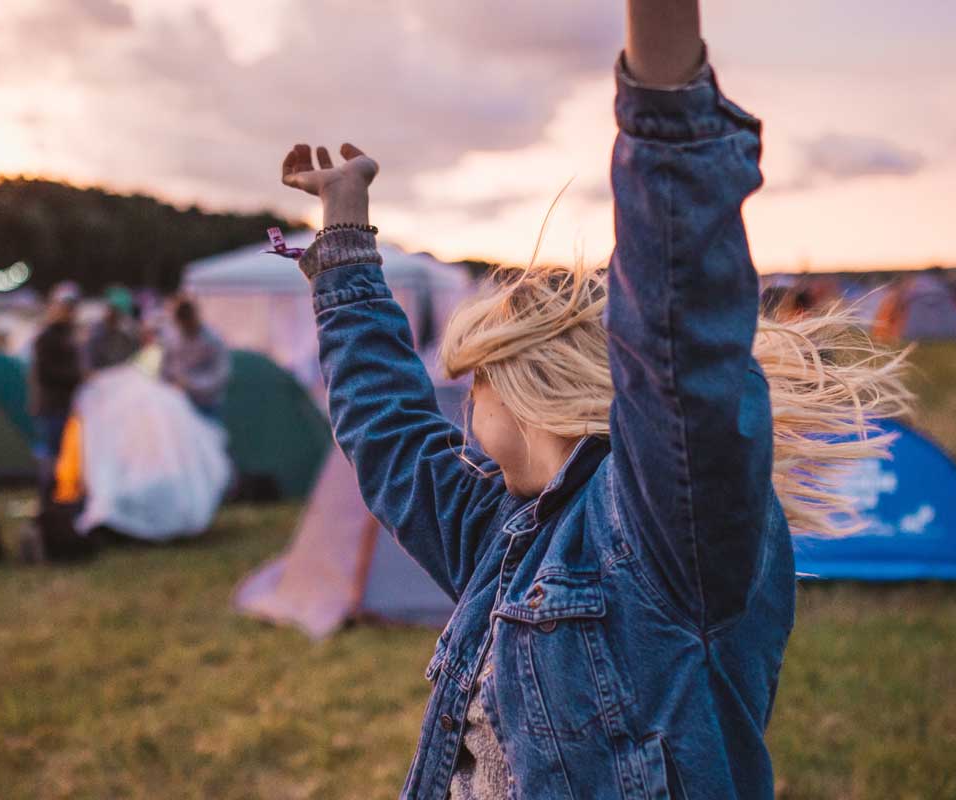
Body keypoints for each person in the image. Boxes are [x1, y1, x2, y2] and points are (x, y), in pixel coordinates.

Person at [273, 2, 907, 796]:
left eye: (472, 381)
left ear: (521, 385)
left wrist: (664, 89)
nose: (460, 407)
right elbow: (389, 433)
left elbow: (679, 327)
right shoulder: (503, 531)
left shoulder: (661, 528)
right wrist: (344, 236)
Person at [31, 294, 84, 459]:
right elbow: (46, 372)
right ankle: (47, 482)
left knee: (63, 449)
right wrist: (77, 376)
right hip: (53, 403)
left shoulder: (69, 336)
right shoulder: (47, 338)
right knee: (53, 449)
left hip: (67, 402)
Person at [159, 297, 230, 417]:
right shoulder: (173, 338)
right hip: (180, 402)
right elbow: (165, 369)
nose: (186, 324)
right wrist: (168, 387)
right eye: (182, 320)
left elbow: (221, 374)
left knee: (207, 434)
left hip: (206, 403)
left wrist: (191, 384)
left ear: (195, 316)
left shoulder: (212, 339)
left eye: (188, 318)